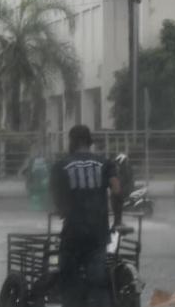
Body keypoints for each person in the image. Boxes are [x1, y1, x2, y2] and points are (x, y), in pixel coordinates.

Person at [50, 125, 123, 307]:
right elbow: (117, 189)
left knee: (68, 279)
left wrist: (63, 210)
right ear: (88, 141)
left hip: (73, 234)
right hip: (98, 234)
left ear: (73, 141)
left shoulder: (61, 165)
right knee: (98, 281)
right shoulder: (105, 163)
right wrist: (118, 219)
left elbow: (58, 199)